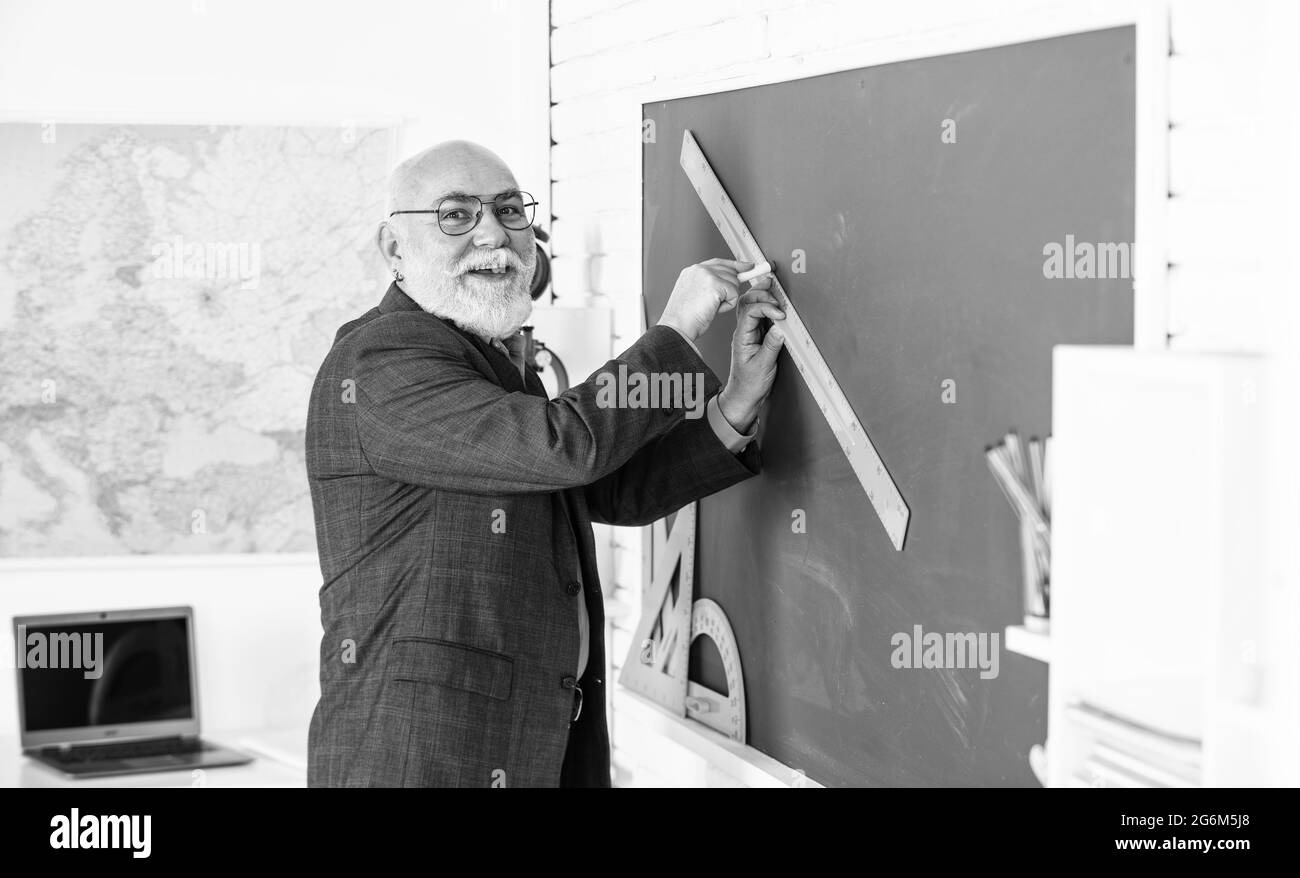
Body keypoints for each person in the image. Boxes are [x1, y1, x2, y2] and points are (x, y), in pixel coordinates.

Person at [305, 140, 785, 786]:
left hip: (528, 748)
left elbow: (598, 488)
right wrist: (673, 330)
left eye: (508, 211)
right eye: (456, 215)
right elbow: (564, 445)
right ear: (395, 250)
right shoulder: (383, 360)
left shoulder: (487, 355)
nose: (493, 236)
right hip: (423, 762)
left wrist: (733, 405)